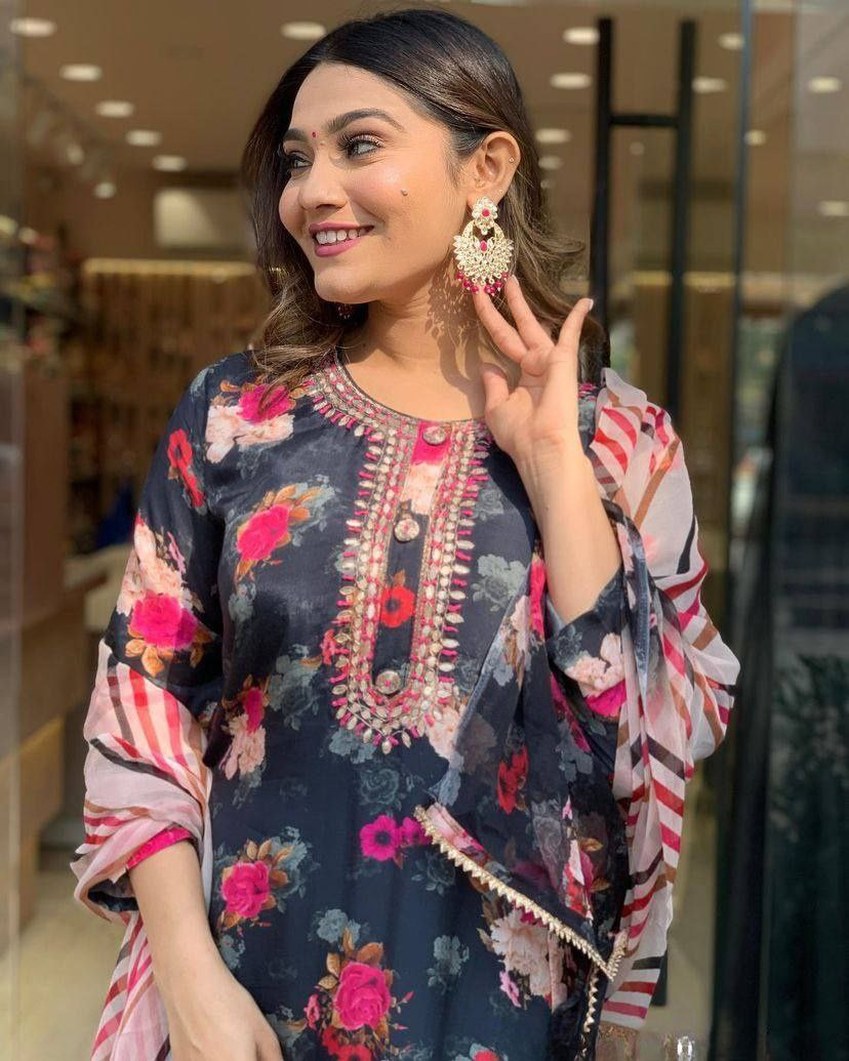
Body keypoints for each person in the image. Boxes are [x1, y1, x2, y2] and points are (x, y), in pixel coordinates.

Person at [70, 8, 740, 1060]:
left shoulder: (619, 443)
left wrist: (555, 470)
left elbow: (651, 744)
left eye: (359, 145)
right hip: (244, 1002)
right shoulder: (237, 415)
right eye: (299, 159)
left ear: (488, 169)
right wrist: (192, 983)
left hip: (505, 1017)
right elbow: (142, 700)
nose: (312, 191)